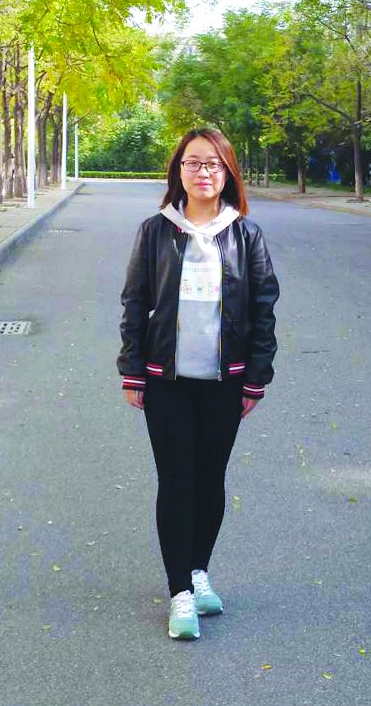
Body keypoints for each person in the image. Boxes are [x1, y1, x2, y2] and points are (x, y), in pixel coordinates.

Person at [117, 128, 279, 640]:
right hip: (166, 380)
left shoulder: (246, 235)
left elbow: (263, 310)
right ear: (178, 171)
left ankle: (198, 571)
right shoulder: (155, 231)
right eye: (193, 162)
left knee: (211, 480)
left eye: (213, 163)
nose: (203, 172)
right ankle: (179, 594)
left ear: (227, 172)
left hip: (223, 382)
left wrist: (255, 379)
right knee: (176, 481)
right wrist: (132, 368)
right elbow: (135, 302)